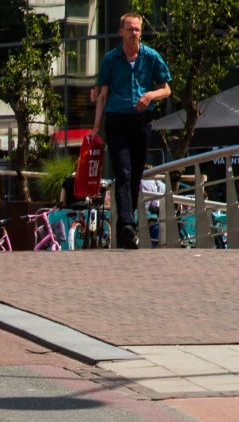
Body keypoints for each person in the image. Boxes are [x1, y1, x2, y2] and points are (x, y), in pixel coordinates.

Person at [90, 12, 170, 250]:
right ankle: (127, 225)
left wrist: (150, 95)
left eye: (137, 29)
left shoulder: (151, 57)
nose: (134, 33)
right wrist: (96, 128)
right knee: (123, 173)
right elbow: (103, 95)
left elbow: (166, 90)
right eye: (130, 29)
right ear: (121, 32)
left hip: (142, 122)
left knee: (135, 177)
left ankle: (126, 231)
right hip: (116, 122)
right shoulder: (111, 59)